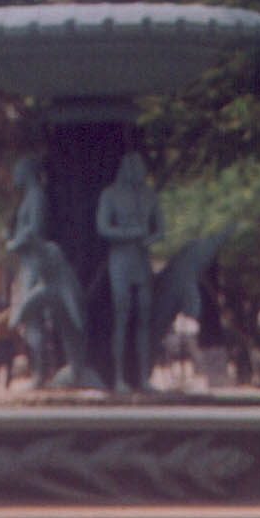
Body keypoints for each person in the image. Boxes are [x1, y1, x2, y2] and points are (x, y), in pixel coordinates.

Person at [96, 151, 163, 391]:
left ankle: (143, 377)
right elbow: (103, 227)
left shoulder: (148, 195)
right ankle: (118, 378)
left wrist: (148, 238)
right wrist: (128, 234)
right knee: (121, 316)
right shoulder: (110, 194)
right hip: (120, 260)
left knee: (144, 316)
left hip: (141, 259)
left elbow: (160, 230)